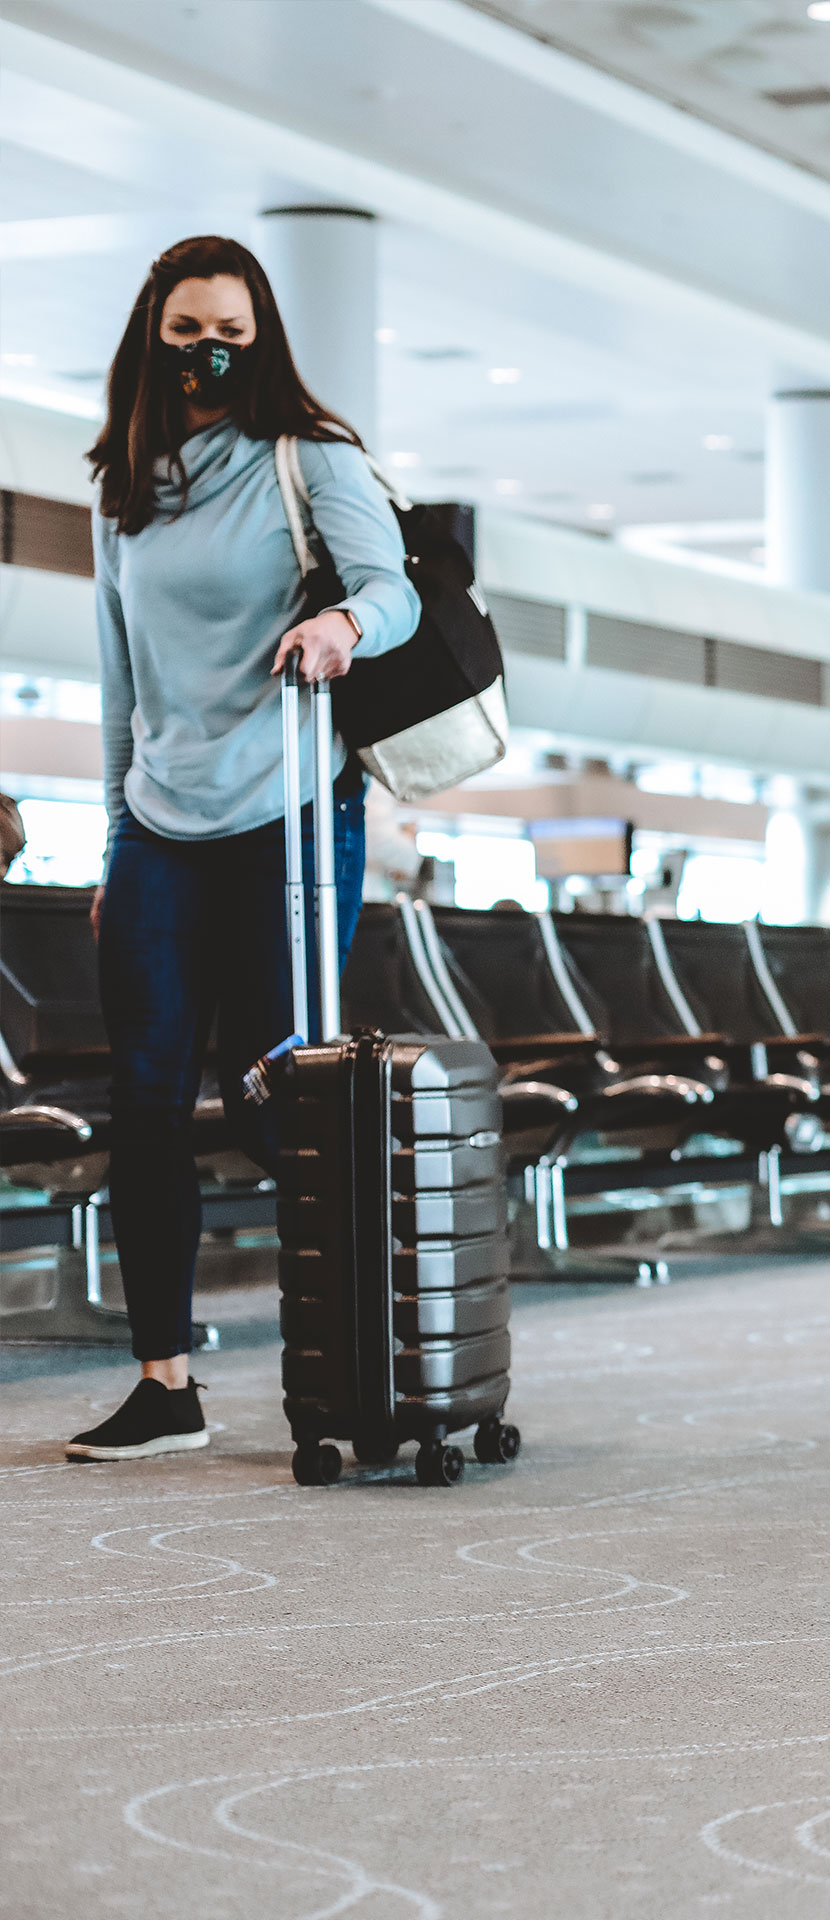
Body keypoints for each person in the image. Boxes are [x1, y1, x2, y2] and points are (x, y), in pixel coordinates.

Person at [65, 236, 419, 1464]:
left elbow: (397, 591)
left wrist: (340, 622)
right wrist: (117, 843)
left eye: (231, 328)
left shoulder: (307, 456)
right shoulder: (123, 484)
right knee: (146, 1103)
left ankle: (358, 1360)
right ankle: (166, 1382)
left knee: (278, 1100)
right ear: (151, 340)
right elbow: (121, 684)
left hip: (292, 809)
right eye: (185, 331)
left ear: (260, 335)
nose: (209, 349)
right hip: (162, 822)